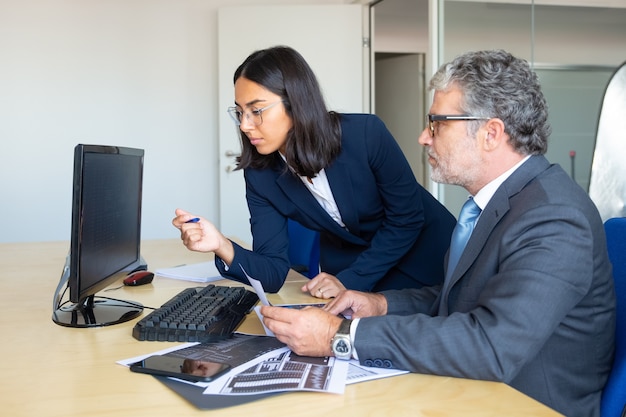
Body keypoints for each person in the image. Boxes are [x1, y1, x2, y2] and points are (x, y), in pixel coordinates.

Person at [259, 49, 616, 417]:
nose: (423, 138)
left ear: (490, 133)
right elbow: (460, 299)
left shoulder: (553, 216)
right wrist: (380, 305)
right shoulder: (496, 204)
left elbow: (493, 345)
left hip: (526, 402)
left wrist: (339, 337)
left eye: (437, 124)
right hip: (473, 388)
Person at [173, 46, 456, 295]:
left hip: (428, 256)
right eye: (239, 112)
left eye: (256, 111)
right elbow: (272, 273)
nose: (245, 125)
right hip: (356, 270)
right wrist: (221, 244)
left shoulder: (365, 134)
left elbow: (406, 219)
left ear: (295, 104)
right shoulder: (261, 175)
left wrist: (351, 279)